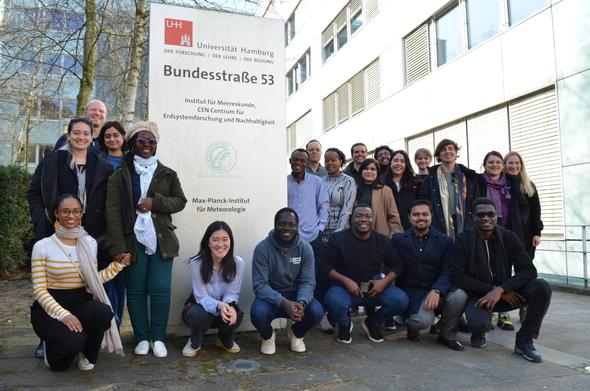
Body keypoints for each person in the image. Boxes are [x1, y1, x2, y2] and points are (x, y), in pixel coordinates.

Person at [27, 117, 113, 358]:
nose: (81, 137)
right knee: (52, 284)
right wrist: (41, 219)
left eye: (86, 133)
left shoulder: (101, 164)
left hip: (89, 235)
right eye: (76, 133)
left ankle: (82, 330)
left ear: (92, 136)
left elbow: (107, 201)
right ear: (69, 134)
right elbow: (34, 192)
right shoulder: (54, 160)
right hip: (56, 232)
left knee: (81, 286)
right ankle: (47, 336)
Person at [105, 121, 187, 358]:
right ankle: (142, 337)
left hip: (162, 240)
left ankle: (158, 337)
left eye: (151, 141)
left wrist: (156, 202)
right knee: (136, 290)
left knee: (160, 289)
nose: (147, 145)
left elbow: (180, 201)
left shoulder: (167, 173)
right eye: (142, 141)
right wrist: (118, 247)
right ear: (132, 143)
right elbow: (112, 213)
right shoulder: (119, 175)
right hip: (132, 242)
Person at [30, 194, 129, 371]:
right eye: (65, 211)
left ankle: (88, 355)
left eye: (76, 211)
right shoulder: (42, 246)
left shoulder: (89, 243)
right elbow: (39, 290)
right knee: (64, 359)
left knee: (103, 313)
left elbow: (92, 280)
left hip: (80, 301)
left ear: (81, 214)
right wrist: (64, 315)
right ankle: (56, 348)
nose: (71, 215)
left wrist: (117, 266)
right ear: (56, 214)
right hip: (50, 307)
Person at [451, 198, 552, 363]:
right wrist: (492, 289)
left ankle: (524, 340)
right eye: (480, 215)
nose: (485, 218)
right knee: (478, 326)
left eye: (490, 214)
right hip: (478, 296)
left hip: (506, 293)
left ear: (496, 216)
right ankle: (478, 331)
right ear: (472, 217)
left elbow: (529, 270)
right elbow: (458, 276)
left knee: (542, 287)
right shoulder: (463, 240)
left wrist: (501, 290)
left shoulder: (508, 237)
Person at [322, 204, 409, 343]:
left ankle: (373, 322)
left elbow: (398, 266)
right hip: (344, 288)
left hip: (373, 288)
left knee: (401, 300)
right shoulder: (338, 239)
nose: (363, 219)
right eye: (359, 216)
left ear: (373, 219)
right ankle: (344, 325)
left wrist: (384, 282)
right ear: (351, 219)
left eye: (368, 216)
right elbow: (325, 266)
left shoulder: (383, 241)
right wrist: (346, 281)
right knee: (333, 301)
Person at [391, 200, 466, 350]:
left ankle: (446, 335)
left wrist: (437, 289)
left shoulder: (445, 241)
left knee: (460, 295)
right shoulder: (398, 240)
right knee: (421, 322)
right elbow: (392, 267)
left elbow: (448, 268)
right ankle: (411, 326)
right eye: (416, 214)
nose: (421, 218)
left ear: (431, 216)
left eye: (425, 214)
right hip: (412, 291)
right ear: (409, 217)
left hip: (436, 287)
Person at [250, 208, 324, 355]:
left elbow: (308, 282)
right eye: (282, 224)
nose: (286, 228)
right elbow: (260, 285)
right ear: (275, 225)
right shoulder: (262, 249)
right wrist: (285, 302)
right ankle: (267, 336)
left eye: (291, 224)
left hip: (296, 297)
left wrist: (302, 302)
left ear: (297, 227)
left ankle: (296, 333)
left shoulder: (305, 248)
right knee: (257, 312)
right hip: (271, 298)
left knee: (317, 311)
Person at [181, 221, 245, 356]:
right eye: (215, 240)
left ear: (231, 242)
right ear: (208, 242)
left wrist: (228, 307)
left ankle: (224, 339)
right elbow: (201, 297)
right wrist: (219, 306)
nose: (220, 245)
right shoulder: (196, 264)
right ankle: (194, 341)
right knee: (198, 315)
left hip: (222, 310)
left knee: (236, 314)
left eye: (225, 240)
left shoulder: (238, 263)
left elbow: (232, 293)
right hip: (202, 309)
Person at [287, 148, 329, 299]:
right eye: (295, 160)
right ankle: (295, 305)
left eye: (302, 160)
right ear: (290, 161)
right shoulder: (283, 182)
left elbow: (323, 205)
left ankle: (313, 307)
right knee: (292, 272)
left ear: (307, 163)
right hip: (289, 238)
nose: (298, 163)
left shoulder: (316, 182)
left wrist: (320, 228)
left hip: (312, 236)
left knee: (314, 273)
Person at [97, 120, 127, 328]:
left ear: (123, 137)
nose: (112, 139)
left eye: (116, 135)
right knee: (106, 277)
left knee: (122, 279)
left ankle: (118, 321)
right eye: (108, 136)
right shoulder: (97, 161)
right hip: (103, 227)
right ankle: (108, 324)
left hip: (128, 227)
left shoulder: (132, 161)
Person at [418, 139, 479, 238]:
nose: (447, 152)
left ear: (456, 153)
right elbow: (424, 202)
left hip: (465, 225)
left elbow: (475, 202)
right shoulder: (430, 178)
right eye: (443, 150)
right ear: (439, 155)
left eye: (450, 149)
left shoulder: (469, 177)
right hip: (439, 226)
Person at [504, 151, 543, 260]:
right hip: (505, 232)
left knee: (525, 269)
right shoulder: (500, 185)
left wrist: (537, 233)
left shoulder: (529, 186)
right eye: (510, 163)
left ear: (521, 165)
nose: (514, 166)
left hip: (527, 234)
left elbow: (536, 211)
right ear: (505, 165)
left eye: (517, 163)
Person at [356, 158, 403, 237]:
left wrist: (396, 237)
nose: (369, 171)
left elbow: (393, 216)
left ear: (377, 172)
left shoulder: (385, 190)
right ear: (361, 171)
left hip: (380, 235)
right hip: (357, 234)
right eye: (366, 169)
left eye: (373, 169)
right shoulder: (353, 189)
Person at [323, 147, 357, 238]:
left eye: (333, 160)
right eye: (326, 161)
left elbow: (347, 209)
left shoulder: (348, 181)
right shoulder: (320, 181)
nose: (329, 163)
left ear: (340, 162)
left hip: (340, 233)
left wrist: (338, 232)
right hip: (320, 232)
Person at [386, 150, 421, 230]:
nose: (398, 164)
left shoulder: (416, 183)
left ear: (406, 164)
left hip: (411, 229)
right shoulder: (382, 183)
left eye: (402, 161)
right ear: (390, 163)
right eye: (396, 160)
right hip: (388, 230)